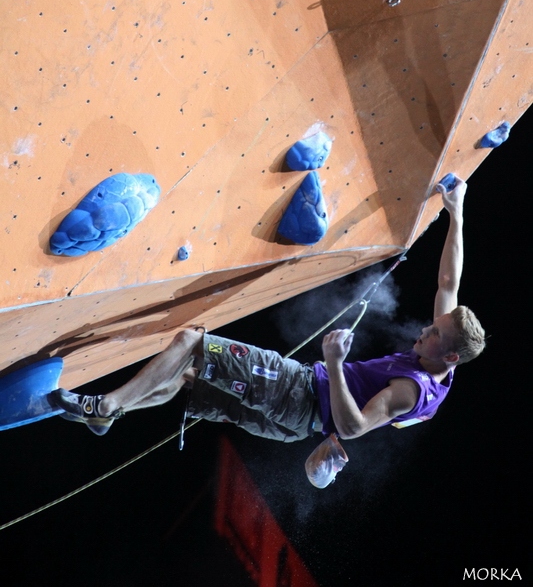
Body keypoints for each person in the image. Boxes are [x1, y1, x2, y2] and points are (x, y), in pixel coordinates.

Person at [50, 178, 486, 447]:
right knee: (185, 377)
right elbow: (448, 284)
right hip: (293, 424)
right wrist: (457, 215)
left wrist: (334, 363)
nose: (424, 331)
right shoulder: (442, 363)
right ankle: (109, 416)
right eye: (432, 325)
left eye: (433, 335)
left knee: (190, 342)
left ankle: (105, 406)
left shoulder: (411, 390)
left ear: (449, 355)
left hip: (297, 392)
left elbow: (353, 429)